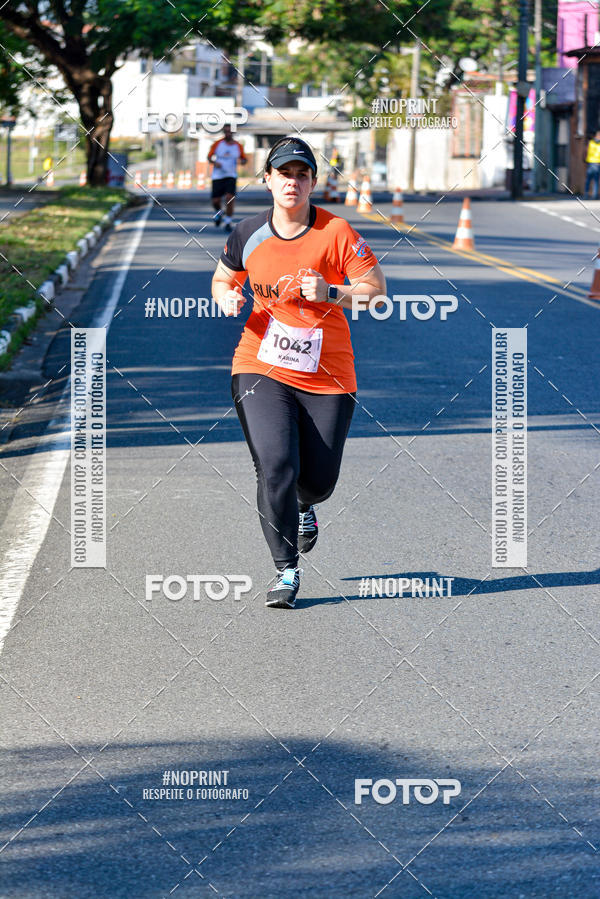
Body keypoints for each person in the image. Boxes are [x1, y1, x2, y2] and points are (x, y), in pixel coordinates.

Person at [211, 136, 386, 609]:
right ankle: (285, 570)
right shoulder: (247, 232)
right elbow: (225, 274)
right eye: (284, 173)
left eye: (302, 174)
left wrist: (331, 292)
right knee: (276, 467)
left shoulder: (337, 232)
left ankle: (306, 506)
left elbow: (375, 291)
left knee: (318, 481)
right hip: (259, 364)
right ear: (267, 180)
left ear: (312, 182)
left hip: (328, 374)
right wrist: (225, 294)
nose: (293, 182)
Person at [207, 123, 247, 232]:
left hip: (231, 175)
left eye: (230, 132)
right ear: (224, 132)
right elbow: (209, 157)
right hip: (218, 176)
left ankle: (228, 221)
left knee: (230, 198)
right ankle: (219, 213)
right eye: (226, 132)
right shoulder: (217, 144)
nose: (228, 134)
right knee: (216, 201)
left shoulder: (238, 146)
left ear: (233, 133)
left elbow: (244, 159)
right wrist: (215, 163)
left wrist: (241, 161)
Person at [585, 130, 600, 200]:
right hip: (597, 163)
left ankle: (586, 194)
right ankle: (594, 195)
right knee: (596, 180)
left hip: (591, 163)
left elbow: (587, 151)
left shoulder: (591, 143)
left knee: (588, 179)